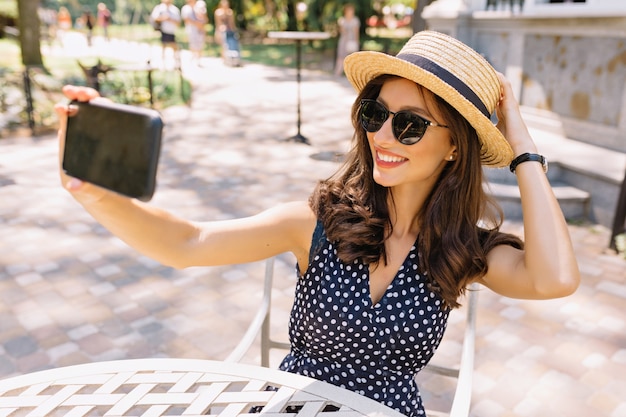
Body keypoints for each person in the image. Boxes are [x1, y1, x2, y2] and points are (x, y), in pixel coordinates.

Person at [54, 30, 580, 417]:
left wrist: (523, 149)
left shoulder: (464, 250)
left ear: (453, 147)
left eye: (411, 124)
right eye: (376, 113)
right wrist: (93, 193)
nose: (384, 135)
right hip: (293, 407)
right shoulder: (320, 222)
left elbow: (555, 279)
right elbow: (189, 242)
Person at [150, 0, 182, 68]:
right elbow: (154, 18)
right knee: (163, 47)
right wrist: (163, 18)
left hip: (171, 31)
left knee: (174, 46)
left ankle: (176, 62)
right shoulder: (159, 8)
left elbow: (178, 22)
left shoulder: (174, 9)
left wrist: (169, 19)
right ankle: (163, 63)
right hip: (162, 31)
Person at [334, 3, 360, 76]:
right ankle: (338, 72)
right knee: (341, 56)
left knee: (353, 58)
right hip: (344, 40)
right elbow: (341, 31)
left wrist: (356, 41)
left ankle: (353, 74)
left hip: (352, 40)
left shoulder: (355, 20)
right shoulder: (342, 20)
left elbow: (356, 32)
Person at [181, 0, 208, 65]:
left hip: (200, 29)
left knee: (200, 44)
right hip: (191, 29)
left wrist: (202, 24)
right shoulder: (186, 8)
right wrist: (197, 24)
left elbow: (205, 19)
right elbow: (186, 19)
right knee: (193, 43)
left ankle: (198, 59)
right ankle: (193, 56)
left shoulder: (199, 6)